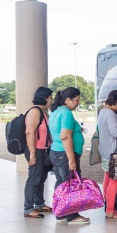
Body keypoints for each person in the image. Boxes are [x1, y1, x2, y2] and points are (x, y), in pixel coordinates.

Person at [48, 87, 90, 224]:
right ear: (68, 100)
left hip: (57, 152)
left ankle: (60, 212)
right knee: (70, 183)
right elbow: (65, 137)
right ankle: (72, 216)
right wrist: (71, 159)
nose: (78, 103)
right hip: (65, 154)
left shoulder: (55, 111)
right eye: (76, 100)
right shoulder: (66, 113)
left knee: (62, 184)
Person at [23, 86, 54, 218]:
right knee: (34, 179)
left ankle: (39, 203)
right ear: (44, 98)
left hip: (43, 149)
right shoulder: (35, 111)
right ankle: (28, 208)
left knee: (41, 178)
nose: (51, 100)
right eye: (50, 97)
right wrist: (33, 154)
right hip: (35, 150)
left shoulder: (43, 111)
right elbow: (29, 132)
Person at [98, 90, 117, 219]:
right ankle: (110, 210)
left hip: (105, 152)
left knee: (108, 179)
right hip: (114, 153)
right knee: (115, 181)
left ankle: (107, 205)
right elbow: (115, 132)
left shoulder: (102, 112)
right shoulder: (110, 114)